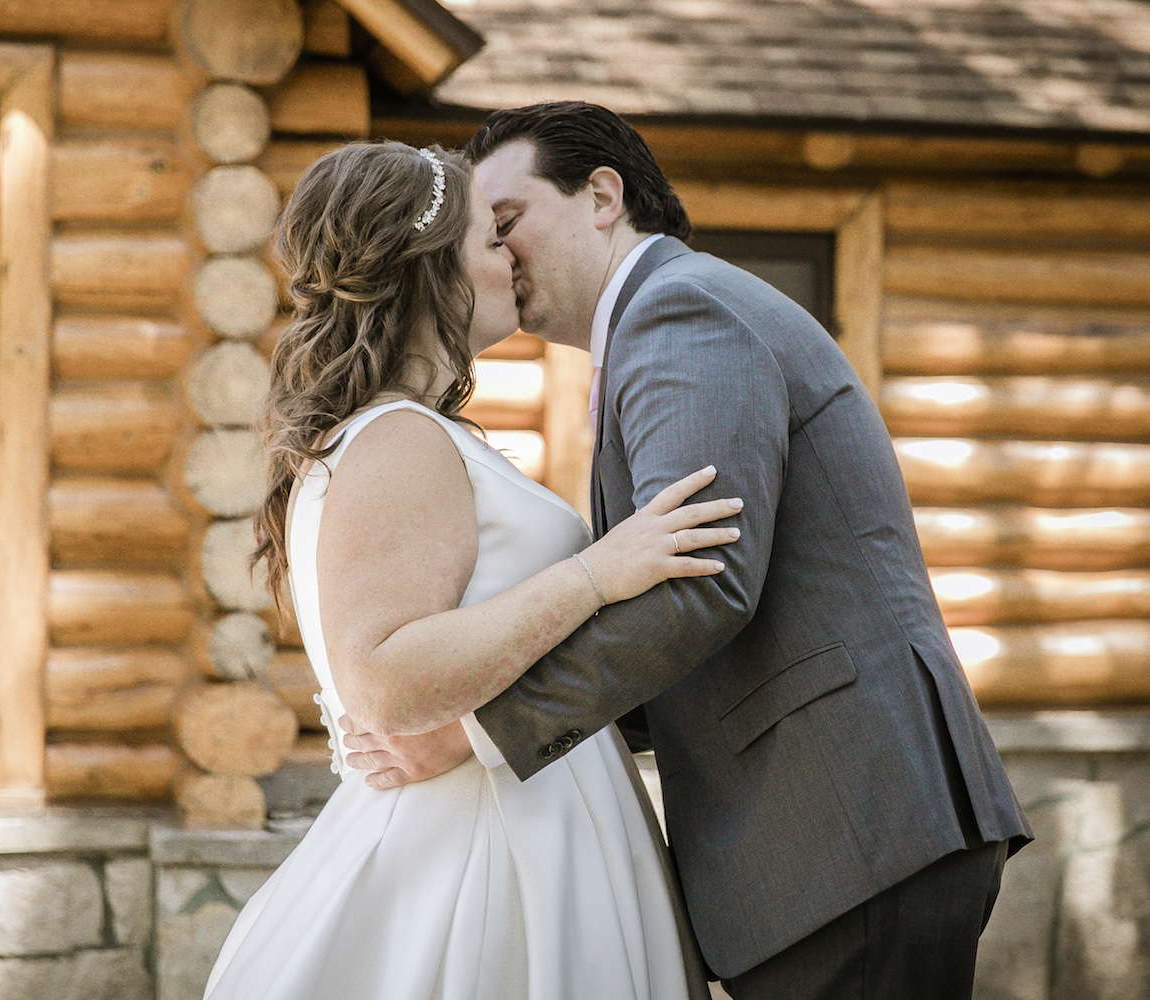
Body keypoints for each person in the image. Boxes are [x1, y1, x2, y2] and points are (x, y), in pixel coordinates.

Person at [341, 103, 1033, 999]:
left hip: (846, 827)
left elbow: (701, 587)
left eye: (508, 223)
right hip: (833, 836)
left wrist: (476, 733)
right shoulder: (656, 324)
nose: (499, 256)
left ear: (601, 195)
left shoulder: (680, 309)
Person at [202, 140, 742, 1000]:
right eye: (491, 239)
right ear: (432, 271)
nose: (511, 258)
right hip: (488, 851)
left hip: (537, 816)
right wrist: (597, 575)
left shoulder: (409, 434)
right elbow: (387, 679)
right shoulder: (395, 440)